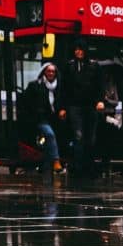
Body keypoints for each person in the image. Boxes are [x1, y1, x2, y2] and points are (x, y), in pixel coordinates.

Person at [64, 40, 104, 177]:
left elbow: (100, 85)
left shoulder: (94, 66)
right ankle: (78, 168)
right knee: (78, 136)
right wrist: (63, 108)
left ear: (85, 50)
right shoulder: (69, 66)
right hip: (75, 106)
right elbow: (65, 88)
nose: (78, 52)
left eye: (80, 49)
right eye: (76, 49)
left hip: (91, 106)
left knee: (91, 138)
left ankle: (89, 167)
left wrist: (100, 101)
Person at [19, 62, 68, 173]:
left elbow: (64, 101)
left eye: (53, 71)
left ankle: (46, 166)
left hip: (56, 119)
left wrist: (62, 110)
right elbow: (25, 102)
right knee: (49, 134)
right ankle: (56, 161)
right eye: (48, 71)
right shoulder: (35, 85)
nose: (51, 73)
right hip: (40, 118)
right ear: (44, 72)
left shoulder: (60, 86)